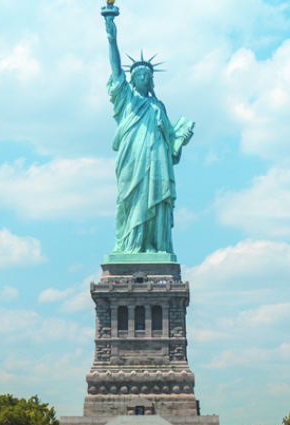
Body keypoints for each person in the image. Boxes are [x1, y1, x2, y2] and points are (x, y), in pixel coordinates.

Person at [104, 15, 194, 255]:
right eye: (139, 73)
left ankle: (153, 244)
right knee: (132, 199)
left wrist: (180, 138)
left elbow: (171, 139)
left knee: (154, 198)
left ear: (151, 79)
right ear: (131, 79)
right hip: (132, 159)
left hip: (157, 162)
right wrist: (112, 38)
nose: (143, 76)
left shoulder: (158, 106)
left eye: (147, 74)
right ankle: (131, 245)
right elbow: (115, 70)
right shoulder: (127, 100)